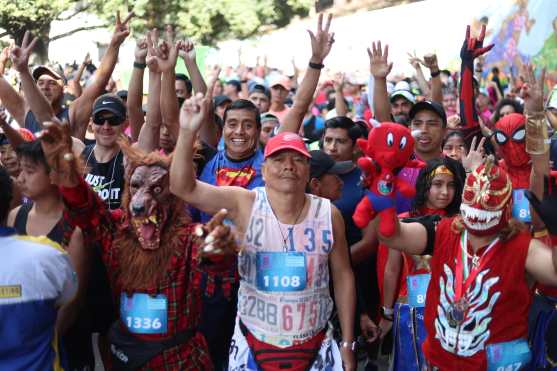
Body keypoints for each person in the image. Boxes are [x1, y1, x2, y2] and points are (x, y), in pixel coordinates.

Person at [38, 117, 238, 370]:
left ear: (174, 196)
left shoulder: (188, 237)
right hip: (126, 355)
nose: (141, 201)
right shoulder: (118, 230)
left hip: (178, 359)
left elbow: (214, 267)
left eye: (157, 189)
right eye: (135, 186)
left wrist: (219, 252)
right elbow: (85, 208)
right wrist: (65, 170)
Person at [372, 155, 557, 369]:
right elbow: (391, 236)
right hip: (441, 363)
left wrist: (555, 233)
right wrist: (383, 187)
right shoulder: (443, 230)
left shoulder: (522, 246)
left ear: (506, 209)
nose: (478, 219)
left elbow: (554, 274)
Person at [378, 157, 465, 371]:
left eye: (451, 185)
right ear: (424, 186)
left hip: (451, 310)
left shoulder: (462, 222)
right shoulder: (403, 221)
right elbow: (392, 269)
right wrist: (386, 313)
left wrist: (471, 170)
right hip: (410, 308)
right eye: (437, 184)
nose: (444, 192)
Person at [0, 12, 132, 140]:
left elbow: (99, 82)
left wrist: (115, 44)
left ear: (64, 88)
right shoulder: (25, 114)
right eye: (40, 83)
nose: (45, 87)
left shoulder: (73, 114)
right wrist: (2, 62)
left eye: (52, 83)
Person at [0, 165, 78, 370]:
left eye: (30, 169)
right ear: (9, 199)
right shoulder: (49, 255)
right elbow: (69, 296)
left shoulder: (48, 256)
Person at [82, 94, 127, 210]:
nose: (106, 126)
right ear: (91, 123)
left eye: (113, 120)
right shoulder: (80, 155)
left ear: (124, 124)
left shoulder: (130, 161)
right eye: (100, 120)